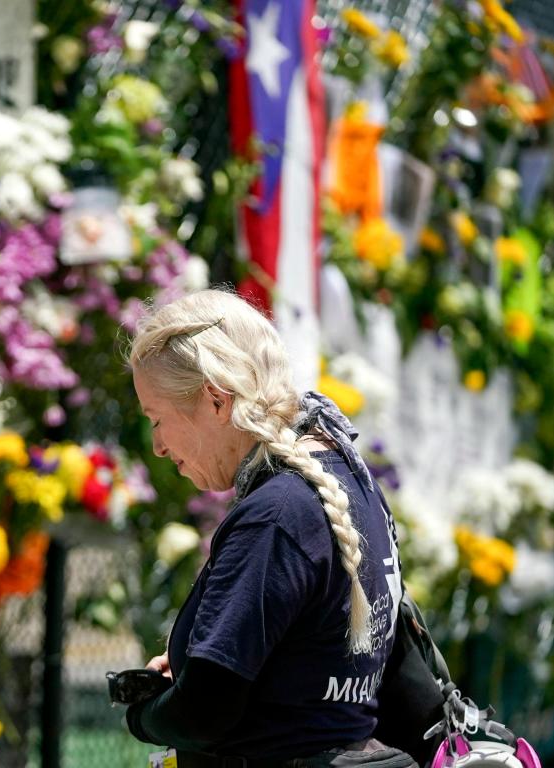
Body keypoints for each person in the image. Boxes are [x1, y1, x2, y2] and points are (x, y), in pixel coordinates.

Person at [124, 289, 414, 768]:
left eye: (157, 420)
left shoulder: (276, 515)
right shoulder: (348, 479)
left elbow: (204, 712)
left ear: (215, 401)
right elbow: (311, 657)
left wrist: (142, 715)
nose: (156, 446)